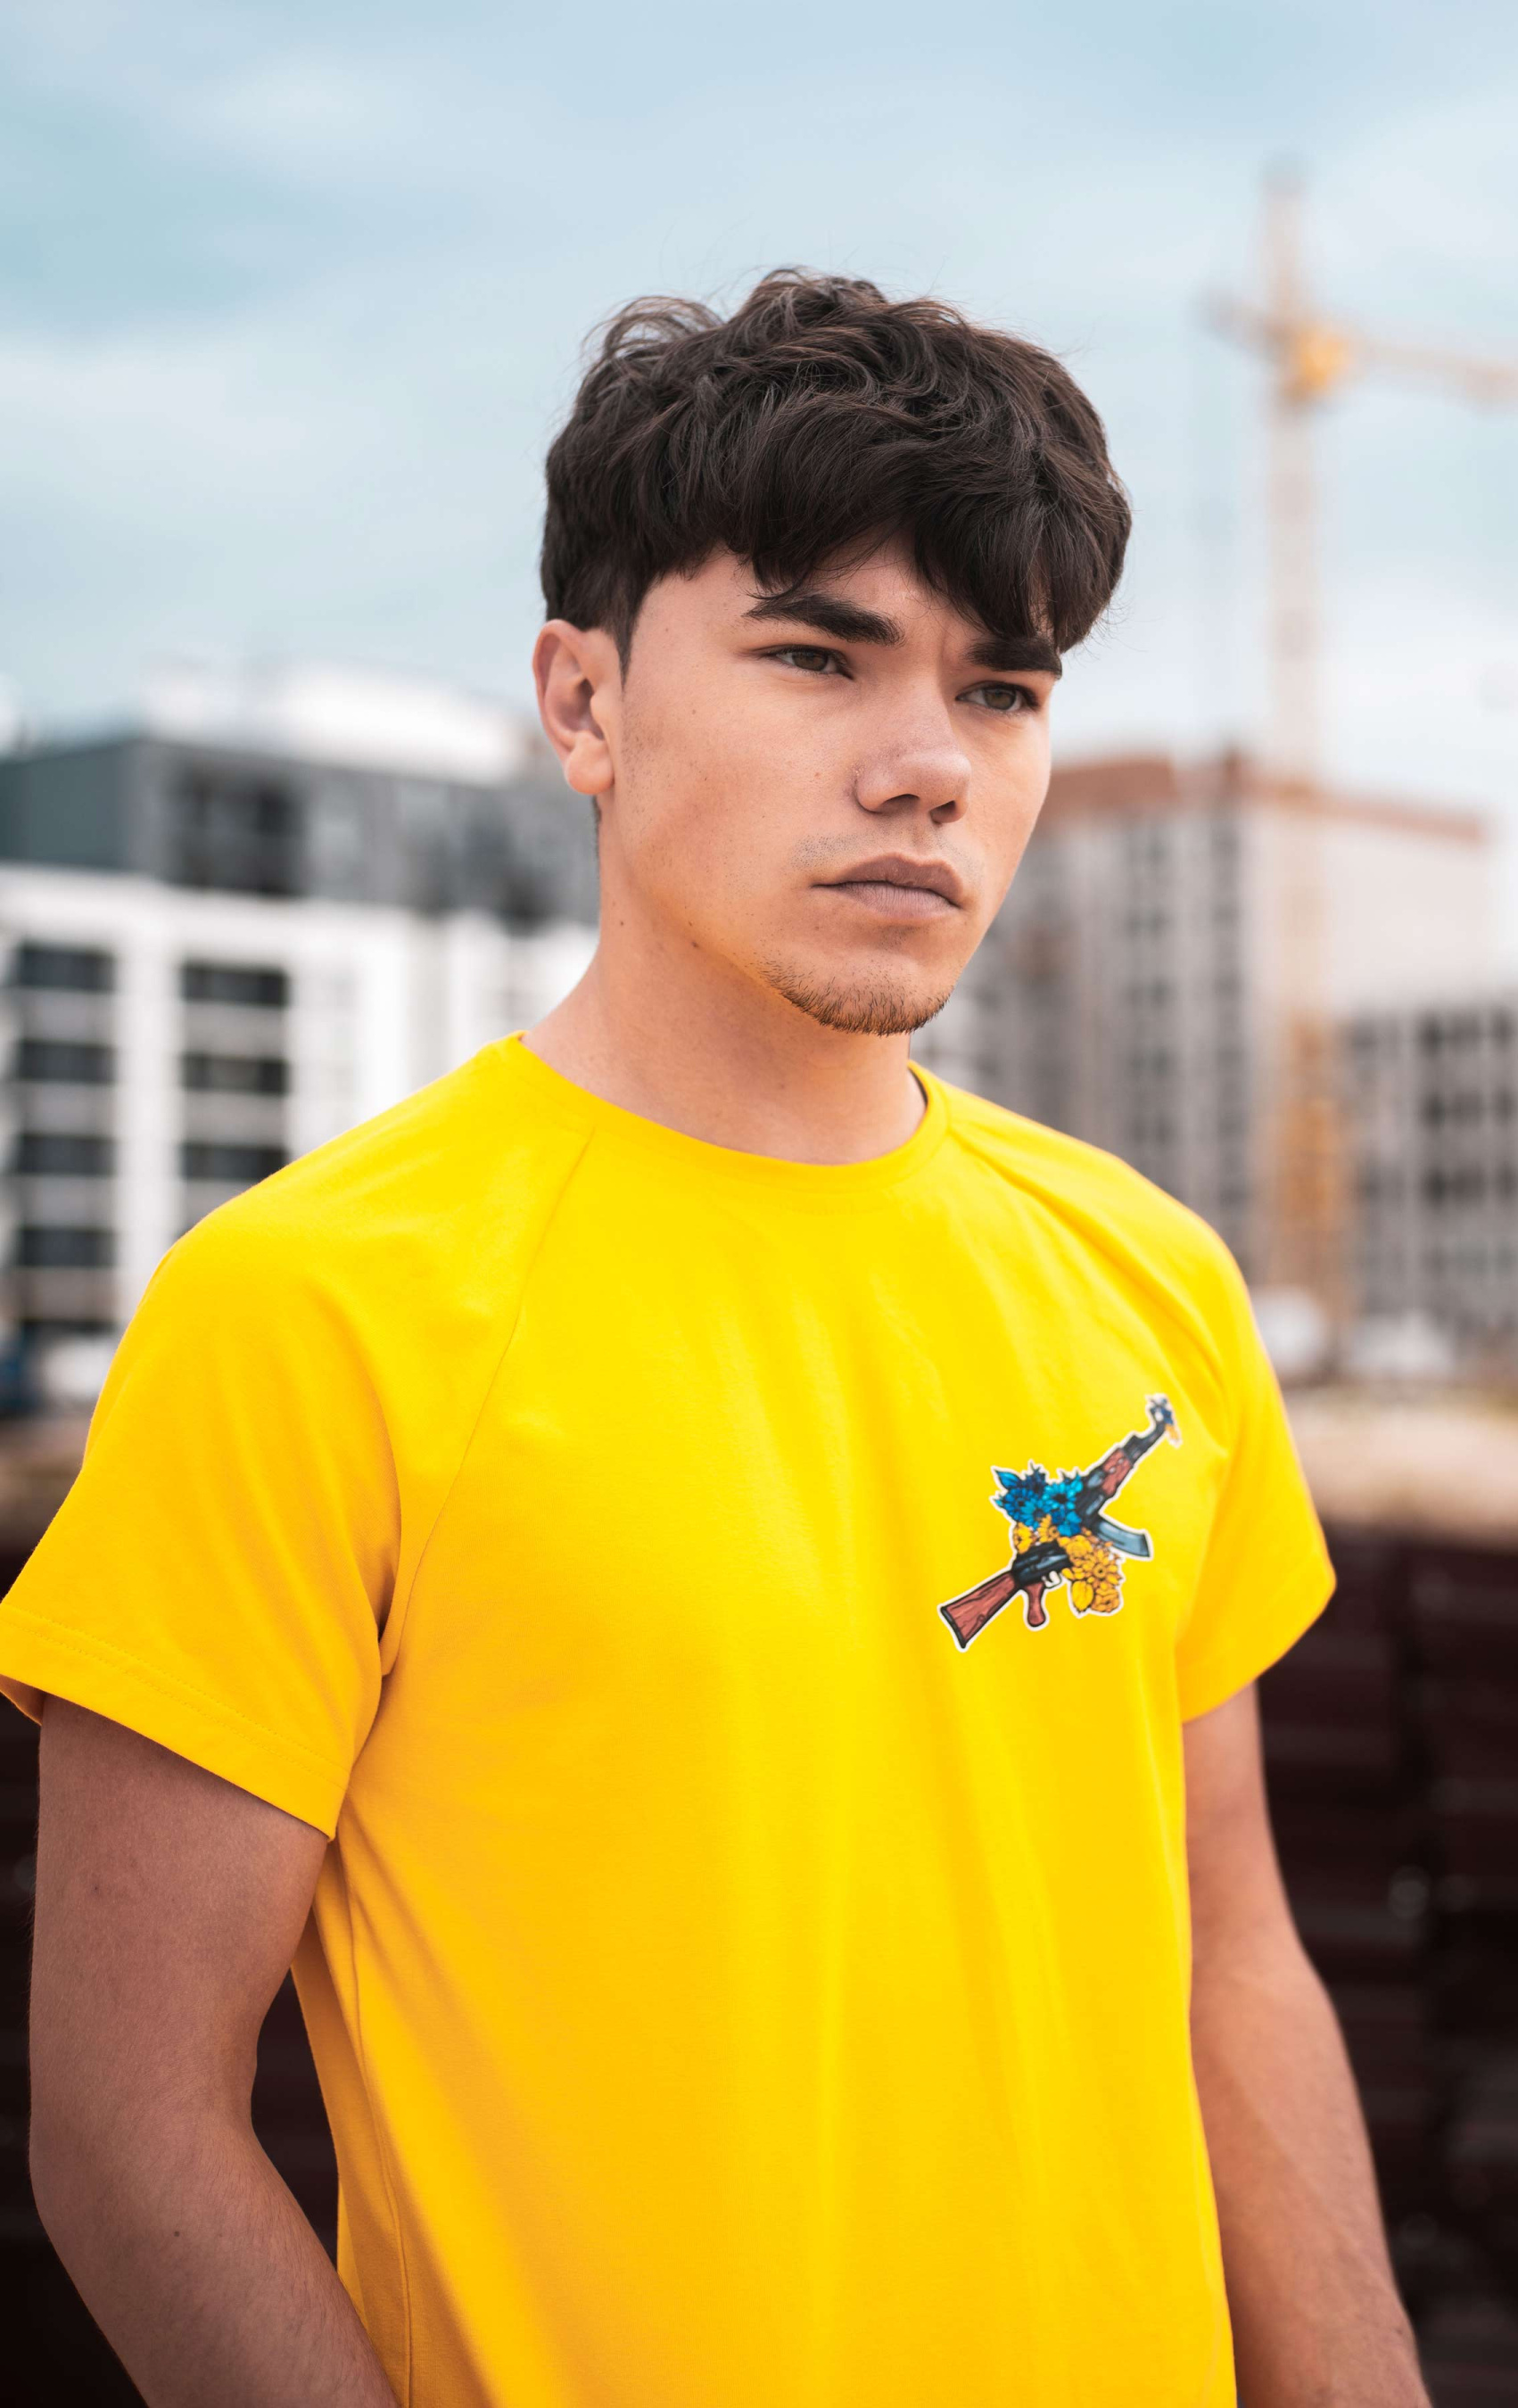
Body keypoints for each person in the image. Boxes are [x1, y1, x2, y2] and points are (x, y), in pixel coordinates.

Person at [4, 271, 1427, 2408]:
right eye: (813, 656)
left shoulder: (1149, 1278)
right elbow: (130, 2129)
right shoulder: (310, 1308)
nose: (925, 767)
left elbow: (1229, 1959)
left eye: (1001, 689)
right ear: (581, 703)